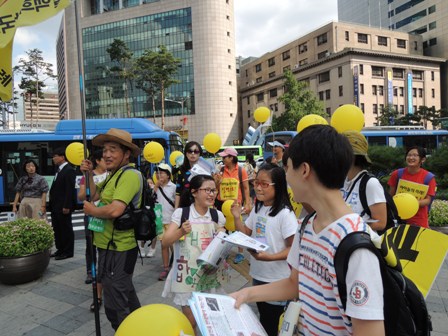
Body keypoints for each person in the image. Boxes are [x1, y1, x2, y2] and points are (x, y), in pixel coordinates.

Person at [230, 125, 384, 336]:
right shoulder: (307, 226)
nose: (287, 179)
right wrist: (245, 294)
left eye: (288, 169)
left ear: (304, 170)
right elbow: (295, 283)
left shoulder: (355, 245)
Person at [80, 128, 142, 331]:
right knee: (124, 293)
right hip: (107, 244)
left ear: (126, 154)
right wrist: (88, 174)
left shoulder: (130, 175)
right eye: (105, 150)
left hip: (121, 247)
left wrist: (92, 211)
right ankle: (141, 327)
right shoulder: (112, 174)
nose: (106, 154)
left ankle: (125, 331)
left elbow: (115, 209)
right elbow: (93, 195)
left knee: (116, 303)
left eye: (113, 149)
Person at [230, 163, 297, 336]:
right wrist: (237, 217)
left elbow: (294, 248)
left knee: (271, 324)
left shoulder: (285, 214)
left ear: (278, 186)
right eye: (256, 183)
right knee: (264, 319)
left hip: (277, 280)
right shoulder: (259, 208)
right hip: (258, 275)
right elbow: (245, 233)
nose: (258, 188)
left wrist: (271, 257)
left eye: (264, 184)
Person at [162, 174, 227, 331]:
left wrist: (223, 237)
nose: (212, 194)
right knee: (190, 323)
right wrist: (181, 231)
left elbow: (222, 247)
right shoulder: (182, 214)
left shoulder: (217, 215)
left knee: (209, 323)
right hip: (187, 276)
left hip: (210, 276)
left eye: (214, 190)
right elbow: (165, 242)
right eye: (207, 190)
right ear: (194, 192)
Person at [77, 149, 108, 310]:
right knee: (91, 246)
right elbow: (81, 196)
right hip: (92, 215)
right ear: (97, 160)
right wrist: (90, 186)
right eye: (104, 158)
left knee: (105, 250)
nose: (107, 160)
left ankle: (104, 278)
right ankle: (91, 270)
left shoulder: (112, 174)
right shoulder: (87, 176)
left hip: (107, 216)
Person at [342, 131, 387, 232]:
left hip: (362, 244)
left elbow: (380, 223)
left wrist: (352, 230)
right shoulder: (342, 181)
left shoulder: (371, 184)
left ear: (351, 156)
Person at [214, 147, 252, 264]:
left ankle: (240, 252)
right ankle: (223, 251)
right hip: (222, 203)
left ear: (232, 157)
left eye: (225, 157)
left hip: (236, 203)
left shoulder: (241, 171)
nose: (223, 159)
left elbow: (245, 188)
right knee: (222, 227)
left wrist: (247, 203)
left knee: (238, 228)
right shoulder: (220, 170)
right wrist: (217, 181)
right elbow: (215, 187)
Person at [388, 146, 436, 228]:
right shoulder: (396, 174)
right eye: (409, 155)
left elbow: (428, 200)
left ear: (423, 159)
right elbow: (390, 196)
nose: (411, 157)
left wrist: (411, 203)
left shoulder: (428, 177)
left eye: (415, 155)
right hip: (398, 218)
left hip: (419, 220)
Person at [49, 147, 77, 260]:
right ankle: (60, 249)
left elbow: (69, 190)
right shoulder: (59, 170)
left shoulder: (69, 170)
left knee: (66, 229)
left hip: (63, 206)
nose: (53, 158)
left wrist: (67, 206)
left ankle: (68, 251)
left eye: (55, 156)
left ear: (62, 157)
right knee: (57, 228)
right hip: (55, 206)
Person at [174, 141, 203, 208]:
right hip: (185, 206)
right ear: (186, 154)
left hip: (201, 206)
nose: (193, 154)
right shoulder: (181, 170)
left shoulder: (205, 170)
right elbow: (178, 192)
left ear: (199, 154)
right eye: (190, 151)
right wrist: (176, 209)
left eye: (196, 152)